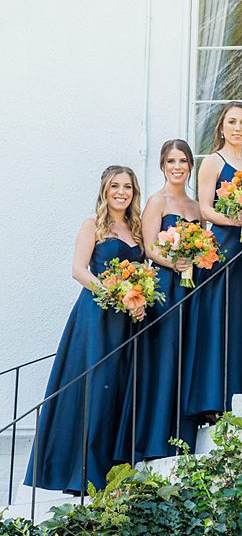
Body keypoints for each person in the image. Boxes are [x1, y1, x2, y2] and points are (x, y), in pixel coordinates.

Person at [26, 166, 143, 493]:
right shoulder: (92, 225)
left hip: (128, 319)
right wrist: (114, 292)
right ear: (105, 190)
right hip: (97, 315)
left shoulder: (137, 229)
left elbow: (143, 270)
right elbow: (78, 270)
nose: (122, 192)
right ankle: (83, 473)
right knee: (95, 385)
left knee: (119, 388)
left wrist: (138, 297)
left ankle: (114, 470)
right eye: (115, 186)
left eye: (128, 187)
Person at [116, 140, 200, 462]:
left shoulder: (193, 207)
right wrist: (174, 262)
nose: (177, 166)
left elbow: (202, 244)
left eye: (183, 161)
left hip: (192, 287)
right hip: (166, 285)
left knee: (184, 356)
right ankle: (152, 441)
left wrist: (196, 256)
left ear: (190, 166)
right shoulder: (156, 201)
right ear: (163, 166)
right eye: (171, 161)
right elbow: (149, 248)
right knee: (163, 356)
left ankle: (180, 436)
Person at [189, 102, 242, 420]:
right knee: (218, 317)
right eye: (232, 122)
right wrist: (234, 220)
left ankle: (238, 393)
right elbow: (204, 209)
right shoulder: (212, 163)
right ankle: (211, 399)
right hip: (221, 248)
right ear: (221, 127)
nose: (237, 127)